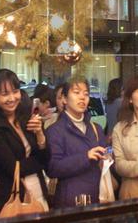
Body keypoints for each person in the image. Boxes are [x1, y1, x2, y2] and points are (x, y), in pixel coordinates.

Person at [0, 69, 49, 214]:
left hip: (39, 191)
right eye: (5, 94)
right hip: (12, 197)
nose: (12, 98)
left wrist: (40, 135)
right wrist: (38, 162)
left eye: (15, 91)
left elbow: (47, 159)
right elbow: (13, 168)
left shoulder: (27, 118)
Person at [45, 77, 109, 208]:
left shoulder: (96, 128)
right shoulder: (55, 131)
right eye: (76, 92)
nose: (82, 98)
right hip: (70, 200)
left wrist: (109, 157)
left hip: (96, 196)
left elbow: (106, 158)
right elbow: (52, 168)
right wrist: (85, 157)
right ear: (64, 99)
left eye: (86, 94)